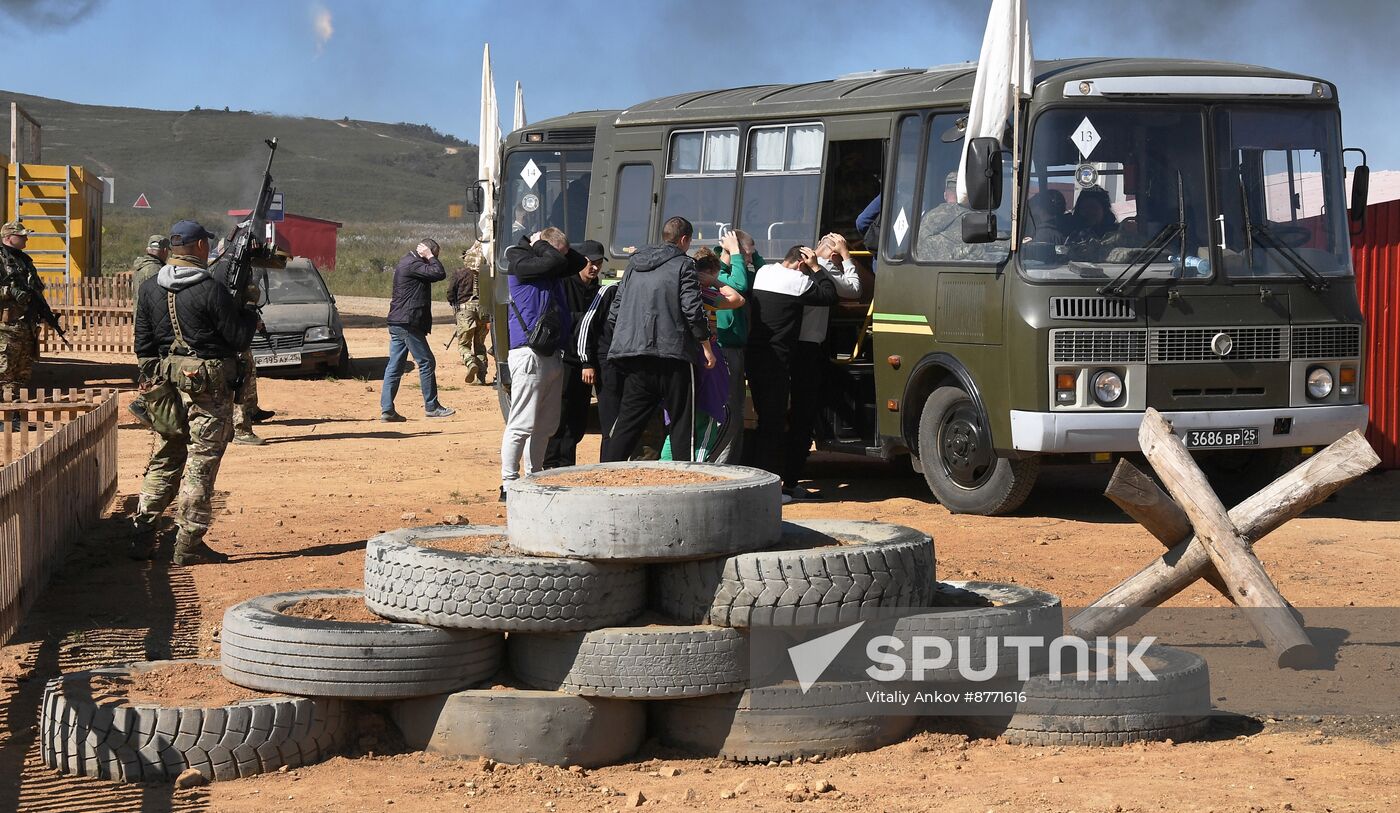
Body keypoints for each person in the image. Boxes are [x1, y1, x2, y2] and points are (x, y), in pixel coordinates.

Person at [130, 219, 257, 565]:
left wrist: (153, 382)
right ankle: (188, 544)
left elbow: (143, 344)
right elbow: (237, 338)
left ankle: (141, 535)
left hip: (166, 384)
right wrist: (248, 309)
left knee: (166, 456)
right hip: (209, 386)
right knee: (201, 461)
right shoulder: (208, 288)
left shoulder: (150, 288)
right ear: (200, 247)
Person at [603, 216, 715, 463]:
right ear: (684, 240)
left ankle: (604, 474)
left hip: (634, 355)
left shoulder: (634, 264)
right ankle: (684, 479)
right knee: (682, 422)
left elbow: (615, 311)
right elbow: (692, 310)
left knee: (628, 423)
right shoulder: (684, 265)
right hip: (674, 354)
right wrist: (706, 346)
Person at [745, 245, 839, 497]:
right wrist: (818, 268)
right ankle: (766, 490)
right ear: (801, 263)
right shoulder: (798, 281)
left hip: (754, 357)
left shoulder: (764, 272)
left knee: (767, 421)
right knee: (772, 425)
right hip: (776, 361)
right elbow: (829, 296)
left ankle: (763, 484)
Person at [500, 227, 584, 497]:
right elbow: (558, 261)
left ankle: (534, 475)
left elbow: (578, 262)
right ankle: (509, 482)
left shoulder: (549, 265)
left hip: (550, 354)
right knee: (521, 423)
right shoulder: (518, 259)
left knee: (546, 425)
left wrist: (550, 246)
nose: (561, 260)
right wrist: (540, 245)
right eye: (555, 253)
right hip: (528, 353)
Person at [784, 232, 862, 499]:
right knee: (804, 414)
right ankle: (790, 480)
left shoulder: (795, 268)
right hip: (808, 350)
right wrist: (848, 258)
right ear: (832, 255)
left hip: (791, 347)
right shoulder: (825, 270)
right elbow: (854, 289)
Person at [660, 247, 745, 462]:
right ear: (709, 272)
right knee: (706, 418)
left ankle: (665, 468)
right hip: (705, 358)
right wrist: (714, 282)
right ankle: (699, 468)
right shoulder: (705, 293)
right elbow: (737, 299)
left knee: (677, 424)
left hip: (677, 356)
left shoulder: (675, 290)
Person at [543, 240, 605, 468]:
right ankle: (550, 464)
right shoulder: (564, 285)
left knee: (578, 420)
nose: (595, 268)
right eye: (590, 263)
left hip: (586, 363)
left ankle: (566, 465)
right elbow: (566, 321)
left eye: (598, 263)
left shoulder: (599, 290)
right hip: (566, 360)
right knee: (560, 415)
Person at [380, 239, 455, 421]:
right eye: (435, 255)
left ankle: (387, 410)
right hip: (407, 322)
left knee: (395, 366)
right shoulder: (413, 263)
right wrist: (429, 256)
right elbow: (439, 273)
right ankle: (432, 406)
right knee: (426, 362)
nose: (434, 259)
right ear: (429, 251)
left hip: (399, 321)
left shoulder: (409, 262)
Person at [709, 229, 760, 464]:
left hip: (736, 349)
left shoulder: (733, 269)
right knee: (729, 413)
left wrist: (752, 253)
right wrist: (736, 252)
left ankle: (732, 462)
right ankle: (722, 465)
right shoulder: (716, 274)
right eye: (745, 256)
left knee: (738, 413)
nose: (748, 261)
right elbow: (739, 285)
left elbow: (757, 276)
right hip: (724, 349)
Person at [0, 221, 43, 404]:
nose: (26, 238)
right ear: (8, 238)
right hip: (6, 328)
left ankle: (14, 416)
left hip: (26, 326)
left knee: (21, 374)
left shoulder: (24, 260)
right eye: (22, 235)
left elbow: (35, 288)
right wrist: (9, 292)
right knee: (3, 373)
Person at [449, 241, 491, 385]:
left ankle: (469, 362)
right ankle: (481, 376)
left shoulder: (459, 273)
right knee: (480, 345)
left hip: (465, 311)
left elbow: (450, 293)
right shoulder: (487, 273)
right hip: (484, 312)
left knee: (464, 345)